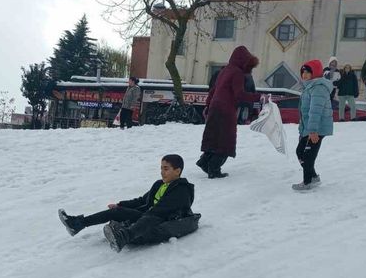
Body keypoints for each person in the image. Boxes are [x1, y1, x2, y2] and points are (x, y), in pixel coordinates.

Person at [58, 154, 200, 253]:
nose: (162, 172)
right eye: (161, 168)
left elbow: (164, 210)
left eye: (166, 168)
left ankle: (122, 238)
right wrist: (121, 205)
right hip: (148, 216)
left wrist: (141, 215)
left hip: (165, 220)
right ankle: (76, 224)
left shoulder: (182, 189)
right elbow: (142, 200)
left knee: (150, 217)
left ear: (178, 171)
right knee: (117, 211)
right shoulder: (159, 184)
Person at [197, 46, 261, 178]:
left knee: (214, 138)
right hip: (226, 110)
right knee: (225, 141)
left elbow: (213, 90)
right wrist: (257, 97)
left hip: (215, 108)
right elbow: (239, 95)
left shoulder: (224, 70)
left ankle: (204, 161)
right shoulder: (237, 73)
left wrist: (208, 105)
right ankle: (214, 169)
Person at [292, 60, 333, 191]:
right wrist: (302, 131)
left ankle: (307, 182)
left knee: (308, 155)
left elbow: (315, 111)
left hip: (317, 128)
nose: (304, 75)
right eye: (302, 72)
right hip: (309, 128)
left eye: (308, 72)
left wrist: (313, 131)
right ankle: (313, 177)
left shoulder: (318, 88)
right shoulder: (309, 87)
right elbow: (304, 112)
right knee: (300, 152)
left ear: (315, 73)